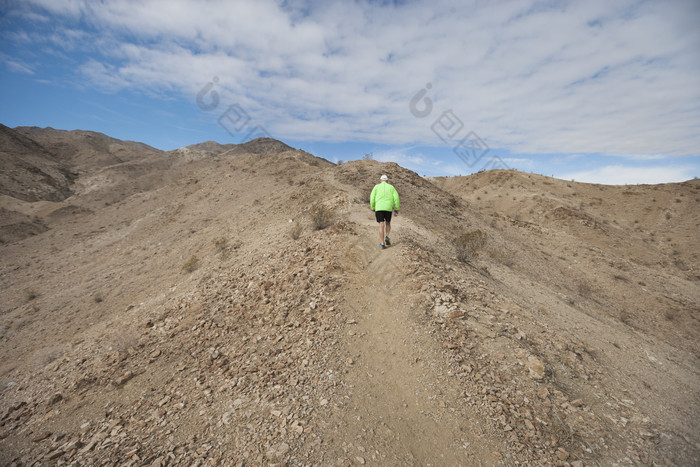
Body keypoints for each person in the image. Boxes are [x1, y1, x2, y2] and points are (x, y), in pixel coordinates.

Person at [370, 174, 400, 249]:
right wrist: (397, 208)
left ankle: (382, 243)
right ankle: (387, 236)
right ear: (387, 181)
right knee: (388, 222)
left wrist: (373, 207)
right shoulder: (391, 187)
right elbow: (396, 198)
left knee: (381, 224)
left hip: (379, 208)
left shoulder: (376, 187)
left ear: (380, 180)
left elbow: (372, 198)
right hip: (388, 208)